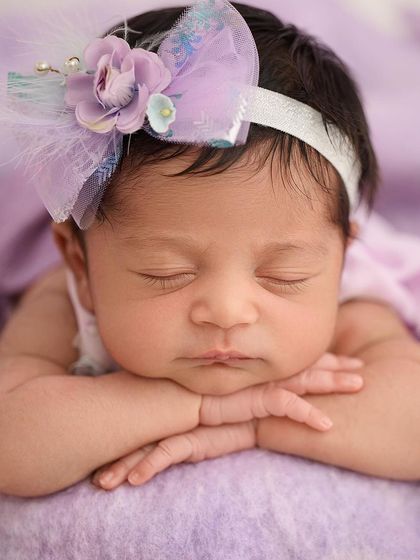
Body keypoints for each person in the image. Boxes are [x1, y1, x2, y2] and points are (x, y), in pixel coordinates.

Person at [1, 0, 420, 498]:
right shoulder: (65, 300)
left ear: (340, 259)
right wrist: (199, 408)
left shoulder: (351, 297)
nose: (226, 311)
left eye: (284, 275)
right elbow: (14, 448)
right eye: (166, 272)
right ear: (79, 264)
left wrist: (250, 422)